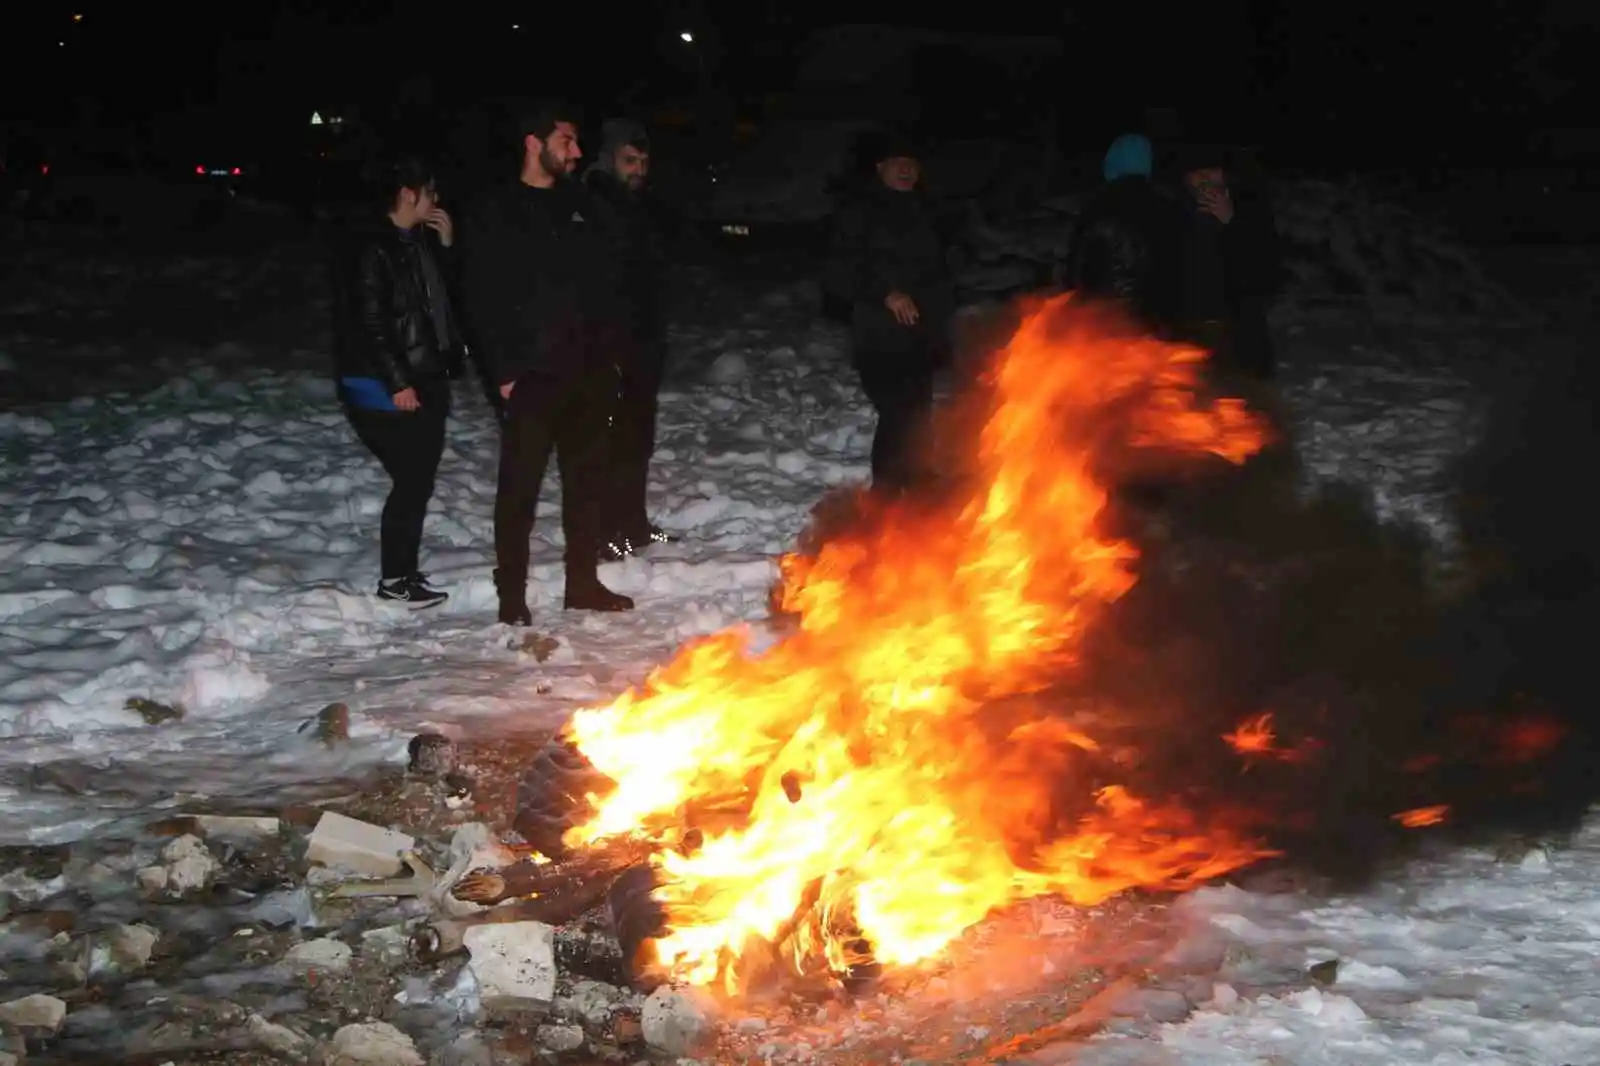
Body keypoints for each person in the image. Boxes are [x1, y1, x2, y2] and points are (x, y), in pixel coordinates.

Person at [462, 101, 634, 625]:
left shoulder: (580, 206)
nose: (577, 151)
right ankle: (511, 593)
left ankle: (581, 583)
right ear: (534, 143)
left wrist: (613, 359)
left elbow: (609, 284)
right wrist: (504, 373)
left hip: (589, 373)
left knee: (586, 484)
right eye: (566, 141)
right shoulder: (496, 211)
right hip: (530, 377)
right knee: (519, 490)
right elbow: (478, 297)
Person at [331, 155, 462, 608]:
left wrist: (446, 246)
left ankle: (403, 572)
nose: (436, 199)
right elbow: (371, 323)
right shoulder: (375, 248)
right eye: (430, 191)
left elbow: (442, 304)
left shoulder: (418, 242)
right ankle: (395, 580)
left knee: (417, 478)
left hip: (424, 376)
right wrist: (397, 382)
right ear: (408, 194)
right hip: (387, 386)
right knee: (412, 479)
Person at [825, 130, 953, 494]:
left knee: (919, 420)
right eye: (899, 162)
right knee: (899, 416)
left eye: (913, 162)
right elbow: (839, 273)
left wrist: (943, 324)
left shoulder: (926, 210)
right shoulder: (860, 210)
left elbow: (938, 272)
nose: (907, 169)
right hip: (879, 338)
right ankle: (886, 500)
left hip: (921, 337)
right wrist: (885, 293)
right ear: (880, 166)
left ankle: (919, 495)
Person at [582, 118, 675, 560]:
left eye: (644, 161)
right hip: (609, 342)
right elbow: (597, 281)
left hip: (644, 339)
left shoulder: (640, 204)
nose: (639, 169)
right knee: (608, 440)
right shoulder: (596, 201)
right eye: (629, 161)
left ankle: (632, 523)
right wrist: (606, 341)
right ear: (610, 159)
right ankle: (603, 532)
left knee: (638, 436)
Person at [1175, 142, 1282, 381]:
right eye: (1196, 174)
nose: (1204, 180)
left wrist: (1233, 224)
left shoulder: (1249, 207)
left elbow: (1265, 272)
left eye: (1211, 171)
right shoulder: (1176, 214)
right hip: (1194, 330)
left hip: (1239, 329)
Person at [1064, 133, 1185, 336]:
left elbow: (1076, 269)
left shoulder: (1097, 207)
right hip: (1158, 321)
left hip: (1107, 319)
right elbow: (1181, 267)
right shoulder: (1169, 209)